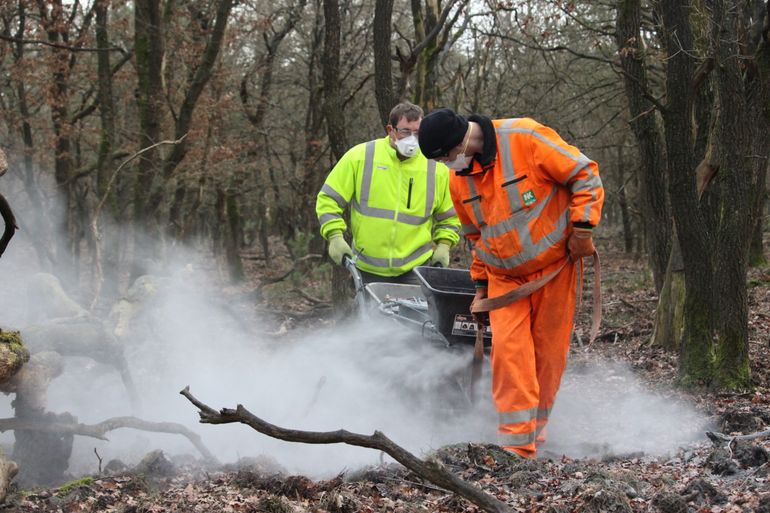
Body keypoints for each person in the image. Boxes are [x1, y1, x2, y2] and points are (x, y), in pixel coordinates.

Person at [418, 108, 604, 458]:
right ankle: (516, 446)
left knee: (548, 358)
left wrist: (582, 227)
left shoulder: (526, 138)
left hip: (554, 271)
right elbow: (477, 237)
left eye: (444, 157)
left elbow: (585, 174)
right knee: (510, 358)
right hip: (504, 281)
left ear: (459, 144)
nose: (445, 165)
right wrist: (480, 286)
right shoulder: (459, 181)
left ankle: (537, 432)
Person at [316, 102, 460, 285]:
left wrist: (444, 245)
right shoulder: (361, 157)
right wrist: (335, 236)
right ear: (390, 130)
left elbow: (451, 217)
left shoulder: (436, 167)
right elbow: (328, 199)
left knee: (414, 315)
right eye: (405, 132)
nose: (412, 139)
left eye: (418, 133)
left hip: (415, 270)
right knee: (366, 315)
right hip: (366, 268)